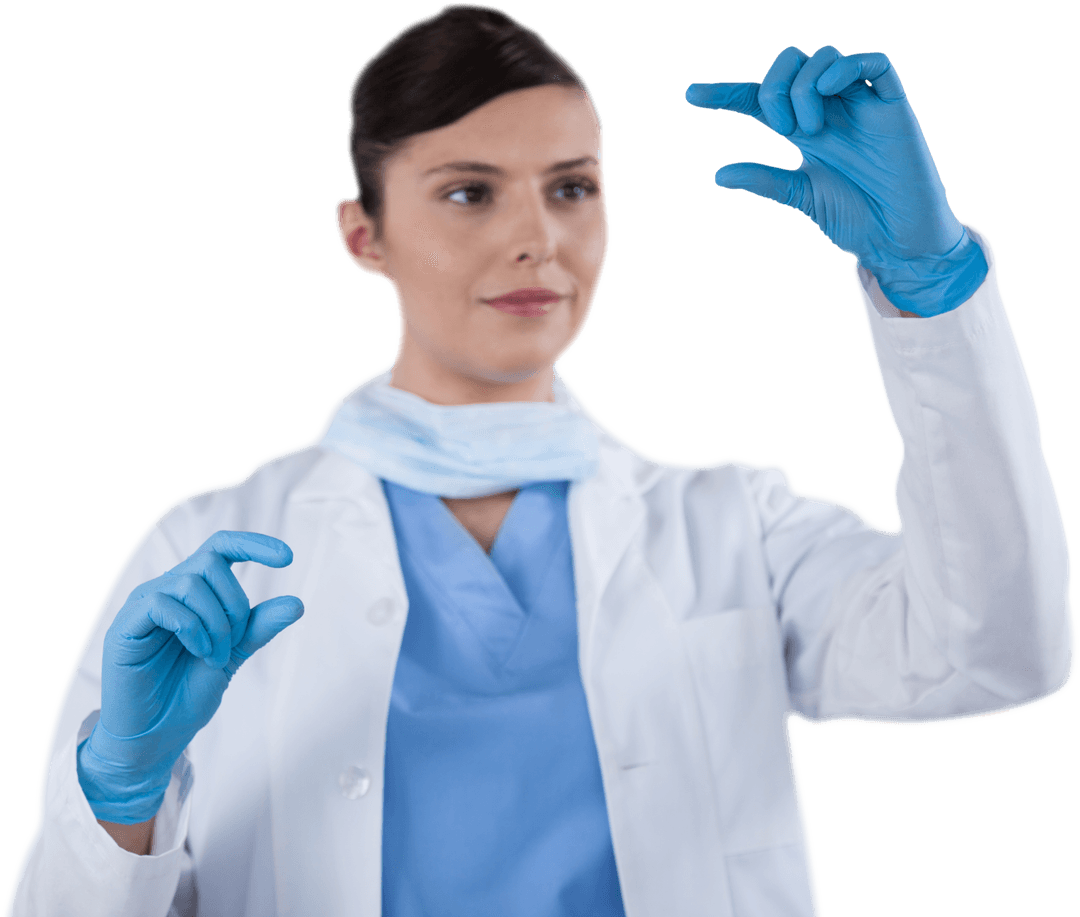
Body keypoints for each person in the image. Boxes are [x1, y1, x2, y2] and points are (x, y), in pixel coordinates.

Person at [3, 3, 1074, 915]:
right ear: (360, 235)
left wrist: (930, 281)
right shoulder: (210, 549)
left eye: (572, 188)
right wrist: (119, 788)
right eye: (471, 192)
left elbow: (1002, 647)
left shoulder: (727, 525)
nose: (539, 239)